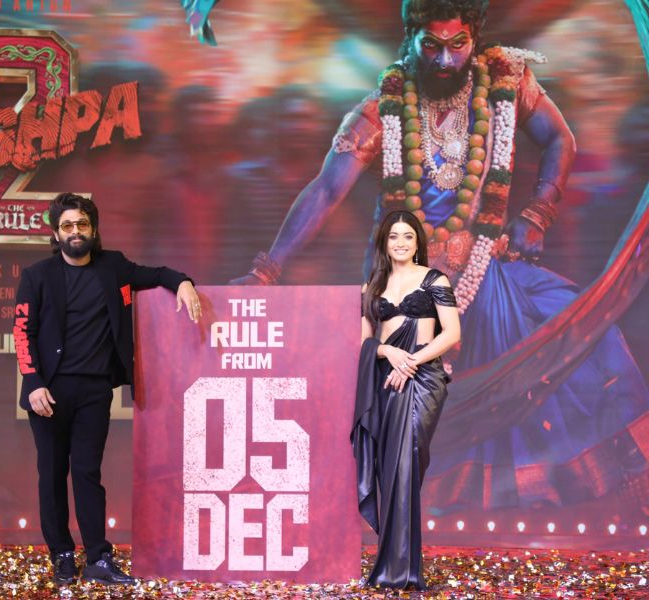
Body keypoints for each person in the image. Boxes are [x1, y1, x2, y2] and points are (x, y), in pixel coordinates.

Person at [233, 0, 649, 511]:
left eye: (458, 45)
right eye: (431, 45)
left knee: (579, 336)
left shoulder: (506, 84)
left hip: (485, 278)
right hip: (406, 288)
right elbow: (326, 190)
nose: (446, 59)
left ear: (474, 38)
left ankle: (507, 525)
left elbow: (560, 139)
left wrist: (539, 211)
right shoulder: (382, 109)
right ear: (411, 39)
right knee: (408, 418)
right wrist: (267, 270)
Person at [13, 192, 201, 586]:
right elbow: (22, 332)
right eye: (67, 225)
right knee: (52, 475)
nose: (75, 231)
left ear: (93, 229)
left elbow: (157, 274)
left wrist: (183, 282)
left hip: (95, 392)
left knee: (87, 473)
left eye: (82, 224)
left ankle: (98, 558)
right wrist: (33, 383)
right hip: (48, 394)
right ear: (55, 233)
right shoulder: (37, 276)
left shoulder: (113, 267)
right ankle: (63, 555)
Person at [354, 211, 460, 589]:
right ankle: (394, 564)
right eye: (393, 236)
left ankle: (401, 569)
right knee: (389, 469)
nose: (400, 242)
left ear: (418, 243)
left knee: (406, 463)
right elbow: (366, 341)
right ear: (384, 242)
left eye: (408, 236)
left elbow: (451, 333)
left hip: (422, 378)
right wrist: (388, 353)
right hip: (386, 380)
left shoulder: (434, 280)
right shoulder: (372, 285)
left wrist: (411, 361)